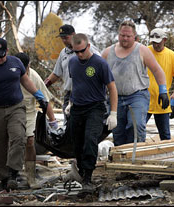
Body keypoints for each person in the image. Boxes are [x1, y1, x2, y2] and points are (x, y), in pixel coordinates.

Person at [0, 38, 48, 192]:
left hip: (16, 108)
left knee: (19, 137)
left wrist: (39, 96)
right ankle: (4, 179)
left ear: (7, 52)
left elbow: (25, 81)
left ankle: (13, 173)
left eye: (2, 56)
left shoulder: (16, 63)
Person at [101, 20, 169, 146]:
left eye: (128, 36)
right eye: (122, 35)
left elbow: (157, 70)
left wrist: (163, 91)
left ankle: (136, 153)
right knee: (118, 130)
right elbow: (97, 75)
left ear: (135, 36)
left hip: (137, 95)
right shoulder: (107, 53)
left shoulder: (142, 50)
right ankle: (121, 158)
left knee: (136, 125)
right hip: (116, 98)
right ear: (118, 35)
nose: (125, 39)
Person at [68, 33, 118, 194]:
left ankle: (88, 177)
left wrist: (113, 113)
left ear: (88, 46)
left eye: (82, 51)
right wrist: (70, 102)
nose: (79, 54)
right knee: (76, 142)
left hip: (95, 107)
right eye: (76, 51)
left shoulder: (99, 63)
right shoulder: (72, 62)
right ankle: (81, 172)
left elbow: (112, 88)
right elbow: (75, 83)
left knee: (90, 139)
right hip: (77, 107)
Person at [14, 52, 57, 187]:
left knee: (30, 141)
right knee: (12, 142)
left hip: (29, 112)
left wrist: (53, 120)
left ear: (29, 66)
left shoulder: (34, 76)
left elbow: (45, 99)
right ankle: (11, 174)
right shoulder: (9, 73)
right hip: (12, 110)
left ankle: (31, 176)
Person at [44, 24, 100, 120]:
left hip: (87, 93)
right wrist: (43, 85)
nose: (64, 41)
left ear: (73, 35)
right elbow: (56, 73)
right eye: (62, 38)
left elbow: (101, 66)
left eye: (66, 38)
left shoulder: (88, 48)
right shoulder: (63, 53)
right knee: (69, 126)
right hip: (70, 94)